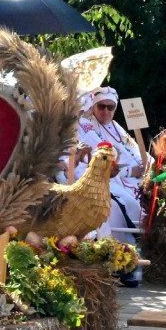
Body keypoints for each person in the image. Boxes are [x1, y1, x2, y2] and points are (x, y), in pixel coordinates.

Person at [65, 87, 144, 245]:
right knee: (124, 203)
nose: (106, 111)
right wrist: (129, 171)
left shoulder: (116, 127)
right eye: (101, 106)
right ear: (92, 107)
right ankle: (122, 247)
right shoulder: (86, 126)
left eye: (111, 107)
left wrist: (146, 165)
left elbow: (134, 150)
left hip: (124, 176)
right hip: (98, 177)